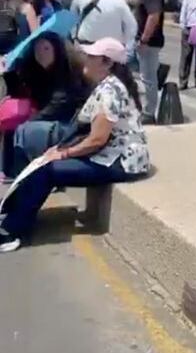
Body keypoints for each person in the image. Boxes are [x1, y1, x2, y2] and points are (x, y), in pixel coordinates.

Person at [0, 38, 149, 253]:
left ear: (107, 63)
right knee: (43, 162)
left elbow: (98, 139)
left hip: (120, 162)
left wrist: (64, 154)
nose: (86, 60)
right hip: (109, 155)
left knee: (48, 171)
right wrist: (59, 150)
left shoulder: (110, 92)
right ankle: (13, 211)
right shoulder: (107, 85)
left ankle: (14, 231)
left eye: (92, 57)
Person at [0, 33, 88, 181]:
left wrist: (30, 120)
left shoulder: (67, 72)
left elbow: (57, 106)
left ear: (56, 49)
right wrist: (6, 73)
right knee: (11, 125)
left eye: (46, 49)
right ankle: (9, 171)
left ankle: (21, 172)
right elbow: (18, 90)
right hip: (49, 117)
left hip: (69, 124)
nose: (41, 53)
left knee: (23, 129)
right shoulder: (37, 70)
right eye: (37, 49)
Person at [70, 0, 137, 53]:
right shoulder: (119, 0)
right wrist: (125, 46)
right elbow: (132, 26)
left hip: (87, 49)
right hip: (112, 51)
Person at [133, 0, 166, 124]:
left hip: (149, 43)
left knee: (148, 78)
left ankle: (149, 112)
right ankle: (147, 109)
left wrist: (144, 39)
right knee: (147, 75)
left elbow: (153, 16)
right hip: (149, 42)